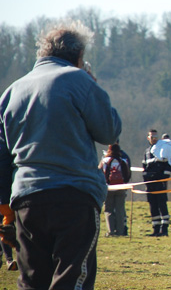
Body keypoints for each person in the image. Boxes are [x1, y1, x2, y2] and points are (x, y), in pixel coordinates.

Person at [0, 21, 121, 289]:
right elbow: (109, 132)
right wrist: (93, 85)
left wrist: (5, 207)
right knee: (71, 278)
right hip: (74, 197)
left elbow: (2, 156)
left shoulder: (12, 91)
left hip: (25, 200)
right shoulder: (80, 81)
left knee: (32, 280)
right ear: (78, 56)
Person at [142, 129, 171, 237]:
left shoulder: (163, 148)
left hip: (160, 183)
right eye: (152, 137)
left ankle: (164, 230)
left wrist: (164, 177)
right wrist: (146, 179)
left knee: (162, 205)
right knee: (153, 205)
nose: (154, 138)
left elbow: (169, 164)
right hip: (150, 183)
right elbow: (144, 167)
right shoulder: (147, 152)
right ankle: (155, 229)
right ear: (148, 138)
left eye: (156, 136)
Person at [99, 143, 131, 236]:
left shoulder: (104, 161)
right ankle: (120, 231)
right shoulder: (123, 161)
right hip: (121, 188)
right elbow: (127, 175)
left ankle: (111, 231)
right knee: (120, 209)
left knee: (108, 210)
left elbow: (99, 173)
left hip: (108, 188)